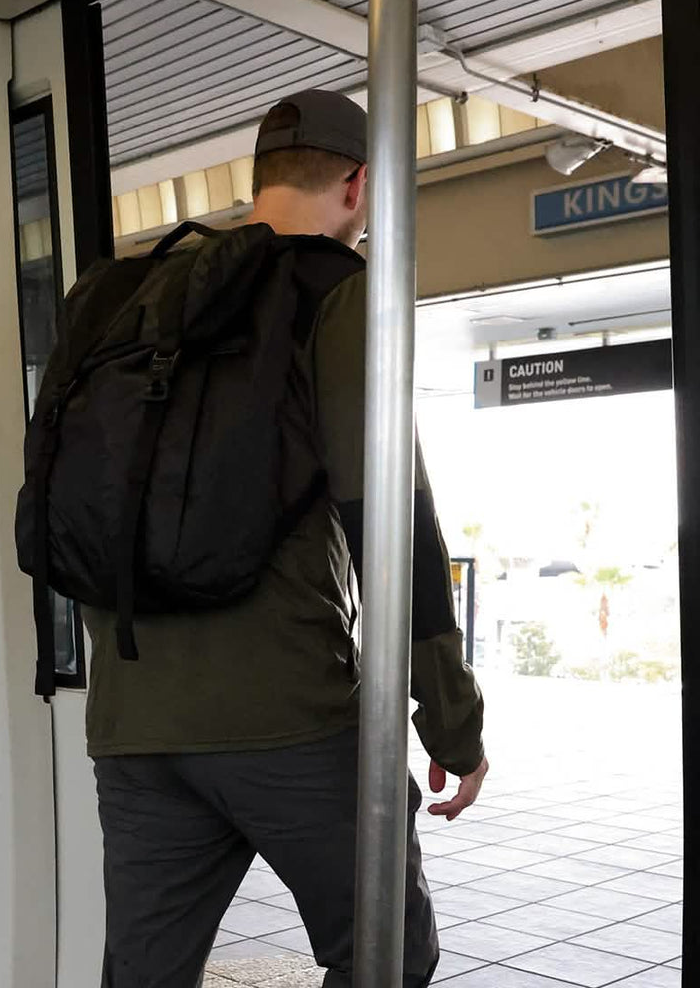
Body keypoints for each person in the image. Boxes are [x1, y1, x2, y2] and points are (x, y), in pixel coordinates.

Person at [83, 89, 488, 988]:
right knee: (387, 955)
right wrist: (452, 722)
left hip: (132, 720)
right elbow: (391, 523)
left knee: (142, 975)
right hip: (286, 719)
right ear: (359, 185)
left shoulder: (130, 302)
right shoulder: (342, 299)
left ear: (259, 179)